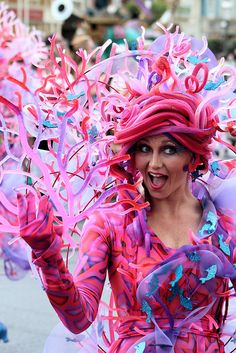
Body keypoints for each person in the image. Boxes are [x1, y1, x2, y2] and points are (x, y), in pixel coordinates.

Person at [15, 24, 236, 353]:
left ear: (193, 155)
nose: (154, 163)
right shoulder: (111, 224)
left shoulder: (222, 222)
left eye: (170, 149)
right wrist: (47, 255)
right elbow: (80, 318)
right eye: (144, 148)